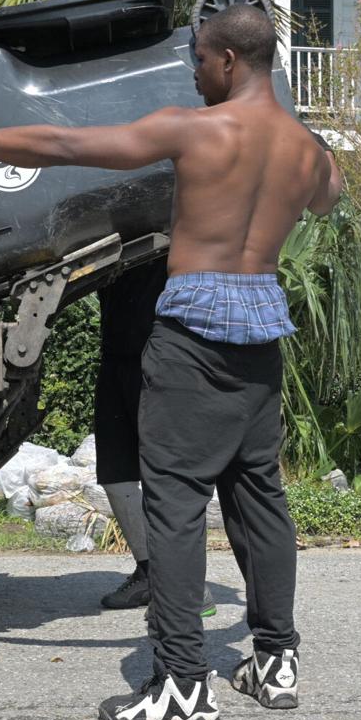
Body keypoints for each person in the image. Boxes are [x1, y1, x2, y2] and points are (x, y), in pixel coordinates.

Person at [0, 3, 341, 720]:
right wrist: (317, 145)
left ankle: (183, 687)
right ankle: (275, 659)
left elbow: (64, 142)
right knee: (260, 498)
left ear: (229, 61)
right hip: (261, 339)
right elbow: (329, 196)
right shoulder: (306, 152)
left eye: (198, 59)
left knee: (175, 508)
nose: (193, 71)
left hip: (193, 340)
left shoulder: (195, 131)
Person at [95, 259, 217, 620]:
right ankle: (149, 572)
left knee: (165, 476)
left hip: (160, 355)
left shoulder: (171, 229)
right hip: (115, 352)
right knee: (115, 473)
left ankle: (190, 588)